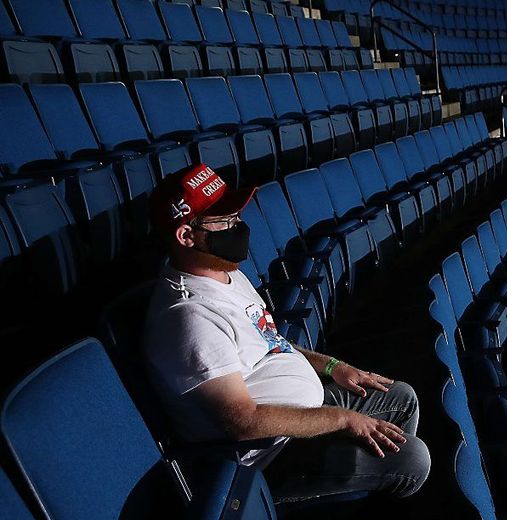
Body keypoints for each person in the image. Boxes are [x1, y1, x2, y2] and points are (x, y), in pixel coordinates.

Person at [142, 164, 431, 502]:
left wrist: (330, 366)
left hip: (300, 415)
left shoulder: (222, 272)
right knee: (412, 458)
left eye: (236, 217)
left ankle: (366, 498)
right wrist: (343, 420)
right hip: (267, 457)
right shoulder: (189, 318)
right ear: (186, 236)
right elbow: (243, 423)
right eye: (225, 222)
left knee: (403, 399)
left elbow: (270, 339)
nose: (238, 228)